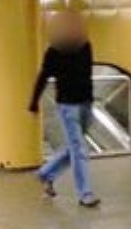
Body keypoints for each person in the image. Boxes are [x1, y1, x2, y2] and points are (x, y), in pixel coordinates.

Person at [29, 11, 100, 208]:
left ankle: (46, 173)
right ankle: (85, 193)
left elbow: (86, 74)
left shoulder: (85, 46)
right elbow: (43, 77)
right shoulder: (53, 53)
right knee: (79, 148)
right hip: (68, 105)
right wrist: (34, 101)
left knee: (74, 147)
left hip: (86, 103)